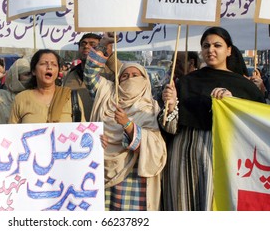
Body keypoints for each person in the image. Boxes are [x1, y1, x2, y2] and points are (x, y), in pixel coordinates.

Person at [159, 26, 266, 211]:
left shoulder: (244, 86)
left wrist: (232, 103)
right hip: (184, 154)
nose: (211, 50)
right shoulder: (186, 81)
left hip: (222, 154)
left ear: (229, 50)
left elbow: (255, 125)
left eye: (217, 45)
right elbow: (170, 128)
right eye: (206, 46)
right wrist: (170, 105)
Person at [84, 48, 167, 211]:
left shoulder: (151, 109)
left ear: (145, 80)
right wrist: (104, 45)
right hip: (103, 175)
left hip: (135, 178)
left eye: (135, 75)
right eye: (125, 76)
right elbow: (90, 76)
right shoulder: (107, 98)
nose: (130, 79)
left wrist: (127, 124)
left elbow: (155, 148)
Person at [8, 49, 85, 124]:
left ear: (58, 71)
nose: (49, 67)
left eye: (54, 64)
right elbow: (12, 133)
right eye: (43, 64)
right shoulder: (21, 98)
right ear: (34, 71)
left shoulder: (70, 96)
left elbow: (82, 129)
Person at [63, 33, 118, 121]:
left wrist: (110, 56)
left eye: (92, 44)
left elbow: (127, 76)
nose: (86, 47)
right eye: (83, 44)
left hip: (102, 129)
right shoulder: (69, 75)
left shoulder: (109, 74)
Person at [0, 58, 32, 124]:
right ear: (16, 77)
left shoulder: (38, 95)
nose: (30, 78)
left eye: (32, 74)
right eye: (27, 74)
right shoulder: (1, 96)